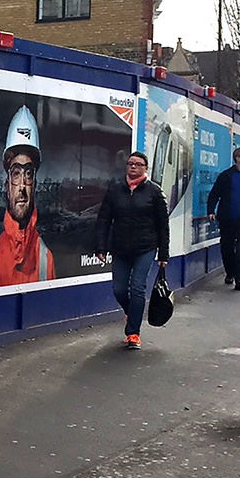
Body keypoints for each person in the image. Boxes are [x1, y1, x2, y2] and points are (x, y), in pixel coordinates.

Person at [95, 150, 169, 350]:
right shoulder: (115, 190)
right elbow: (103, 220)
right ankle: (132, 312)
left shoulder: (155, 192)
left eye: (138, 164)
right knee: (119, 289)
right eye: (130, 163)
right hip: (120, 247)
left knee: (137, 287)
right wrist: (101, 247)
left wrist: (163, 253)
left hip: (145, 247)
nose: (133, 166)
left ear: (145, 168)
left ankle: (133, 333)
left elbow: (163, 225)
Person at [0, 105, 55, 287]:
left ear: (34, 185)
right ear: (6, 185)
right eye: (16, 173)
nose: (21, 187)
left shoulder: (46, 259)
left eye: (28, 174)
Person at [205, 146, 240, 290]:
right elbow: (215, 193)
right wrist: (211, 210)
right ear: (238, 158)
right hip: (228, 219)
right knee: (226, 248)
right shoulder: (226, 176)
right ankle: (230, 273)